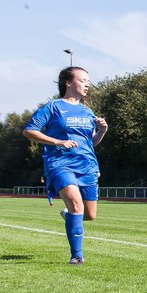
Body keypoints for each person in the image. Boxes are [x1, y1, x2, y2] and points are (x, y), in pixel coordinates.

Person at [22, 67, 108, 265]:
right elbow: (29, 131)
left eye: (88, 81)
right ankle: (77, 256)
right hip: (60, 163)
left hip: (86, 166)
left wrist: (102, 131)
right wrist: (57, 142)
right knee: (77, 204)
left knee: (89, 215)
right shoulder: (53, 107)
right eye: (83, 80)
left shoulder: (87, 111)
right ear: (68, 82)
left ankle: (68, 214)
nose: (87, 84)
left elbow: (90, 142)